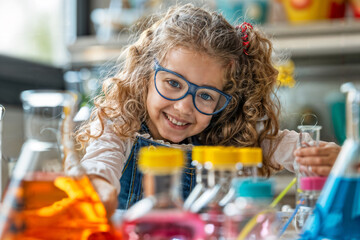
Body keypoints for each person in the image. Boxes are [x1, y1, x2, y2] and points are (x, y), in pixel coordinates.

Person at [74, 4, 341, 216]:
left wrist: (332, 159)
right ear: (146, 75)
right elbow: (100, 165)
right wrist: (97, 189)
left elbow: (286, 145)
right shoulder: (119, 124)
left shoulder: (227, 133)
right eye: (173, 83)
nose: (183, 107)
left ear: (226, 100)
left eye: (205, 95)